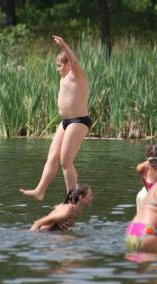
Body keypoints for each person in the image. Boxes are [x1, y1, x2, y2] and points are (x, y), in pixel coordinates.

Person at [20, 35, 91, 201]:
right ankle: (40, 191)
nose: (58, 69)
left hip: (79, 121)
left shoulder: (77, 75)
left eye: (59, 66)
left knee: (66, 161)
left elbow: (74, 62)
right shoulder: (63, 78)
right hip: (65, 122)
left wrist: (64, 45)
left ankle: (72, 199)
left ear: (67, 65)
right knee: (52, 157)